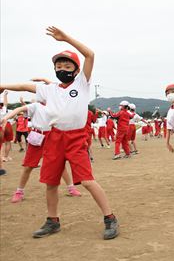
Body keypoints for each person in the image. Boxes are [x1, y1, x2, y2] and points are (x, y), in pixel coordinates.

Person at [0, 26, 119, 239]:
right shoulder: (50, 89)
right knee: (51, 182)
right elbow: (24, 86)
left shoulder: (82, 83)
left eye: (66, 65)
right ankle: (52, 220)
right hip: (54, 137)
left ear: (75, 70)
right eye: (58, 65)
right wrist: (3, 86)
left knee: (88, 181)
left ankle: (110, 217)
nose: (61, 68)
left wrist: (65, 39)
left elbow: (90, 54)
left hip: (75, 138)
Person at [2, 102, 82, 203]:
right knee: (28, 166)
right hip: (37, 135)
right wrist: (6, 117)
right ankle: (19, 192)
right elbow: (19, 109)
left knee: (59, 164)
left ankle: (71, 188)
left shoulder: (57, 104)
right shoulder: (35, 105)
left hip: (53, 136)